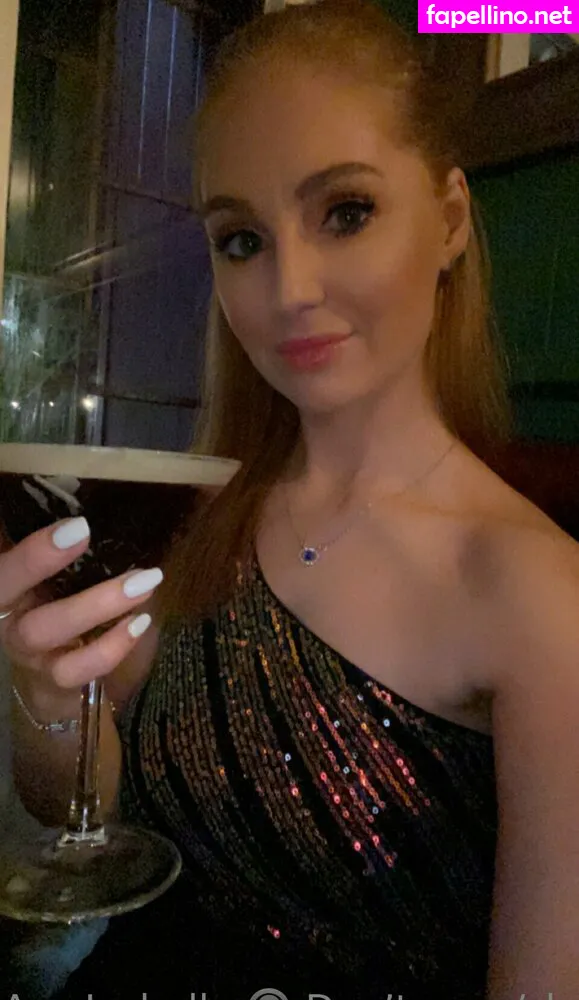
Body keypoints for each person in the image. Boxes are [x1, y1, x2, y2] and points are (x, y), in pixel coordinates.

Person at [2, 1, 579, 997]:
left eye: (345, 212)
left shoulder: (539, 597)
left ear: (448, 219)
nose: (289, 288)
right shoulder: (202, 516)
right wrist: (48, 703)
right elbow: (79, 810)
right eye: (241, 239)